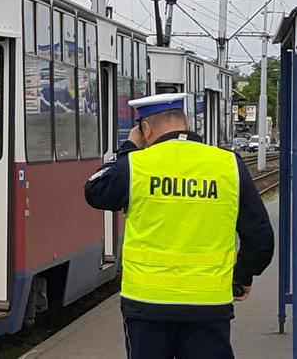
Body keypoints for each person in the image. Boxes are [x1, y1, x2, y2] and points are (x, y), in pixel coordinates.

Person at [84, 93, 274, 359]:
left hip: (147, 305)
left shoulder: (136, 165)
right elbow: (261, 237)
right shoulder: (228, 165)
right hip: (208, 305)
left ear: (145, 129)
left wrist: (128, 147)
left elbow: (94, 191)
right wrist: (242, 276)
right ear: (185, 123)